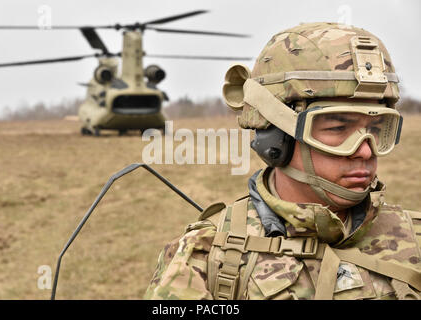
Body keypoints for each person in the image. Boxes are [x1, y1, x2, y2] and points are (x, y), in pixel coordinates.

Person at [144, 22, 421, 300]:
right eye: (338, 129)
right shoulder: (206, 257)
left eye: (375, 129)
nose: (364, 151)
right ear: (277, 137)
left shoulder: (415, 240)